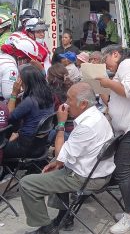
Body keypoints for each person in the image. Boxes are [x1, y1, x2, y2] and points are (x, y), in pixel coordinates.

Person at [19, 83, 115, 234]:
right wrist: (58, 163)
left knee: (27, 184)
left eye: (69, 99)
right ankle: (64, 216)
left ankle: (46, 229)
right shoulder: (97, 116)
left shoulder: (87, 125)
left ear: (83, 104)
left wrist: (61, 124)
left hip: (88, 178)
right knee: (55, 168)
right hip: (96, 171)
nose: (65, 104)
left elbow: (59, 156)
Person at [98, 45, 130, 233]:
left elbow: (128, 90)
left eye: (106, 60)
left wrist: (107, 82)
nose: (107, 65)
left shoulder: (128, 64)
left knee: (121, 169)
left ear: (115, 54)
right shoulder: (127, 65)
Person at [5, 65, 54, 160]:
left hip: (25, 147)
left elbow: (9, 117)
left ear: (27, 83)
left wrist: (14, 93)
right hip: (39, 145)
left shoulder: (30, 101)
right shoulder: (48, 96)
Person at [0, 32, 40, 100]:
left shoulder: (3, 57)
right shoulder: (10, 68)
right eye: (28, 61)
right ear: (20, 57)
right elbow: (8, 96)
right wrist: (27, 90)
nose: (28, 63)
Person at [47, 63, 74, 144]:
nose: (46, 77)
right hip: (74, 128)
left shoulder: (50, 93)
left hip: (61, 131)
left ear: (51, 77)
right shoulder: (73, 89)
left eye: (48, 75)